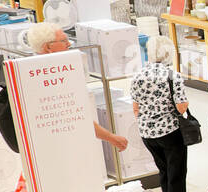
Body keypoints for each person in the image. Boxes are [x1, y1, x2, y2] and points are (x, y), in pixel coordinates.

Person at [20, 22, 129, 152]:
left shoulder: (29, 71)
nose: (69, 44)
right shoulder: (54, 77)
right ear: (48, 47)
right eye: (64, 40)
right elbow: (76, 115)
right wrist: (111, 137)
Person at [129, 35, 190, 192]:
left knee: (163, 171)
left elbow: (135, 107)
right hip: (170, 131)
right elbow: (181, 107)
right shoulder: (172, 76)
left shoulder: (138, 76)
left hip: (147, 133)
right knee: (176, 174)